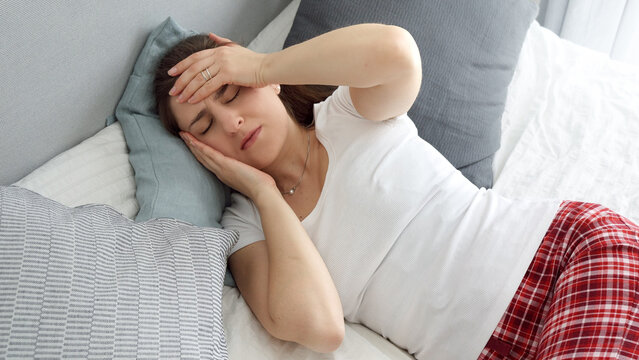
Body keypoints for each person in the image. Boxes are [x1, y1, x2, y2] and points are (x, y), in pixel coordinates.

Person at [153, 24, 639, 359]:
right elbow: (320, 328)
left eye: (232, 92)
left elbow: (397, 52)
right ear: (197, 149)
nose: (232, 122)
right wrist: (263, 193)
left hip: (563, 258)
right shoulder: (247, 226)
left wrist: (260, 66)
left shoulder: (346, 115)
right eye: (204, 124)